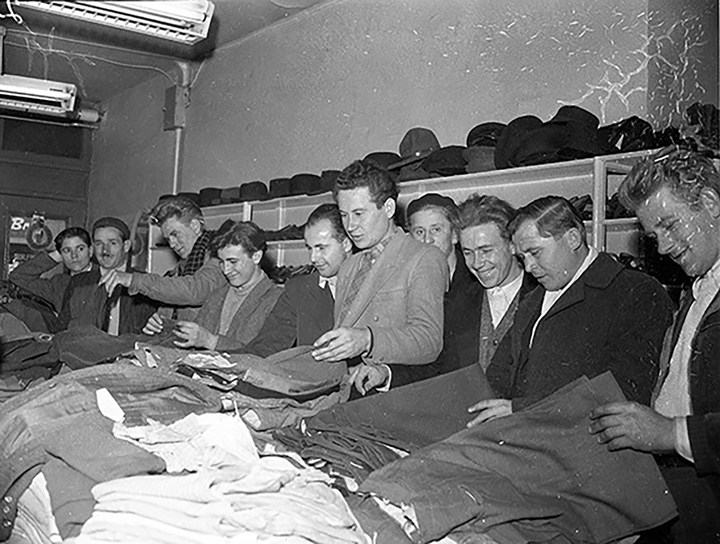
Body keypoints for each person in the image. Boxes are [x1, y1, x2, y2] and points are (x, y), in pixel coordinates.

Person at [589, 147, 720, 542]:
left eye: (670, 225)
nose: (662, 247)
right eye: (653, 235)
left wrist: (667, 432)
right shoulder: (698, 289)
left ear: (711, 203)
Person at [470, 195, 674, 426]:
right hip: (530, 436)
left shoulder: (635, 292)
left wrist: (521, 409)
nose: (528, 267)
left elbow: (623, 390)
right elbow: (499, 377)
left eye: (535, 252)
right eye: (521, 257)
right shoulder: (533, 300)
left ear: (573, 238)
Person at [311, 159, 448, 394]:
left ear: (388, 209)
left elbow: (429, 341)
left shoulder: (423, 257)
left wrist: (368, 340)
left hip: (392, 396)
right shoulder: (349, 266)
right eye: (344, 215)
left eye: (359, 214)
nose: (350, 225)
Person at [144, 221, 281, 350]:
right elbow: (194, 340)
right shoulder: (217, 295)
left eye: (233, 261)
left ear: (256, 257)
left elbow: (264, 354)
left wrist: (210, 341)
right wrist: (163, 328)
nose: (226, 270)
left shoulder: (277, 299)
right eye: (221, 262)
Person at [240, 203, 352, 357]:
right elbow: (267, 345)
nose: (313, 258)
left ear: (346, 244)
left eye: (321, 248)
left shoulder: (373, 282)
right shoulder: (298, 289)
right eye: (309, 248)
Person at [100, 196, 226, 320]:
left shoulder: (220, 256)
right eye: (168, 239)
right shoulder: (180, 269)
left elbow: (196, 289)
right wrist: (158, 322)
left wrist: (134, 280)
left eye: (175, 234)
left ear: (195, 226)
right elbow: (174, 304)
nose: (172, 244)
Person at [455, 194, 537, 371]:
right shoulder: (457, 302)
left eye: (485, 250)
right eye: (468, 253)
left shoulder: (543, 296)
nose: (477, 263)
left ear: (512, 245)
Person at [405, 193, 481, 379]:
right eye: (419, 232)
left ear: (454, 235)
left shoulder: (479, 280)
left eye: (436, 230)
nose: (427, 240)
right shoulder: (405, 283)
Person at [59, 217, 157, 334]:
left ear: (126, 246)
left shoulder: (143, 283)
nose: (105, 250)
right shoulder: (79, 283)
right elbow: (63, 327)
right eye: (99, 244)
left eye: (112, 243)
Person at [9, 226, 94, 316]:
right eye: (67, 250)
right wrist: (54, 257)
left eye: (80, 249)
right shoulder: (58, 284)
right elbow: (18, 276)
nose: (74, 256)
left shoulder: (106, 276)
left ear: (91, 251)